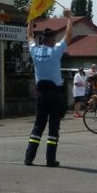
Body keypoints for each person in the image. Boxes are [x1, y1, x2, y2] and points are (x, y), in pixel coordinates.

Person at [24, 9, 73, 167]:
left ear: (42, 40)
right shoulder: (55, 51)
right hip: (55, 94)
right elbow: (69, 35)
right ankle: (50, 160)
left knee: (38, 126)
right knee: (53, 127)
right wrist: (69, 18)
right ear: (52, 40)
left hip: (41, 94)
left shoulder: (35, 51)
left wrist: (31, 17)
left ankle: (29, 158)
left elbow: (29, 35)